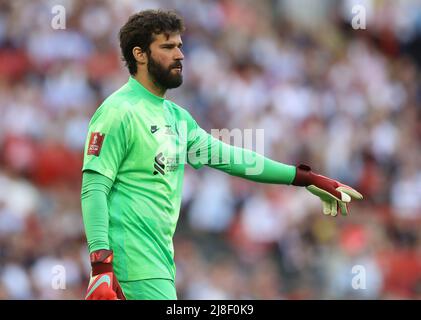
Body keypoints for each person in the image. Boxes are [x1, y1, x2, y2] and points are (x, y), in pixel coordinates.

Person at [81, 9, 363, 300]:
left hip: (157, 265)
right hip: (132, 268)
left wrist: (306, 178)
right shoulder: (118, 111)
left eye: (179, 46)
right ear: (139, 55)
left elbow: (235, 159)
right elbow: (94, 188)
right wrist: (101, 266)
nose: (179, 55)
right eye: (167, 47)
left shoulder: (177, 118)